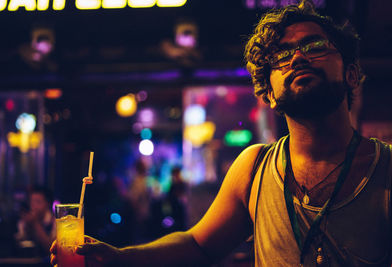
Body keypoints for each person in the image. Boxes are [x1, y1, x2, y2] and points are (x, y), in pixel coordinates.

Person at [51, 0, 392, 266]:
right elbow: (198, 245)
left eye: (314, 46)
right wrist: (119, 259)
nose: (298, 57)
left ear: (350, 74)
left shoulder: (385, 167)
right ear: (269, 95)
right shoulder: (254, 167)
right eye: (282, 55)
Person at [16, 186, 56, 259]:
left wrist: (35, 224)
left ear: (48, 203)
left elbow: (51, 249)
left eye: (38, 202)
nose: (34, 206)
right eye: (32, 201)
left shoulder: (55, 222)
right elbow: (21, 242)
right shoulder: (25, 220)